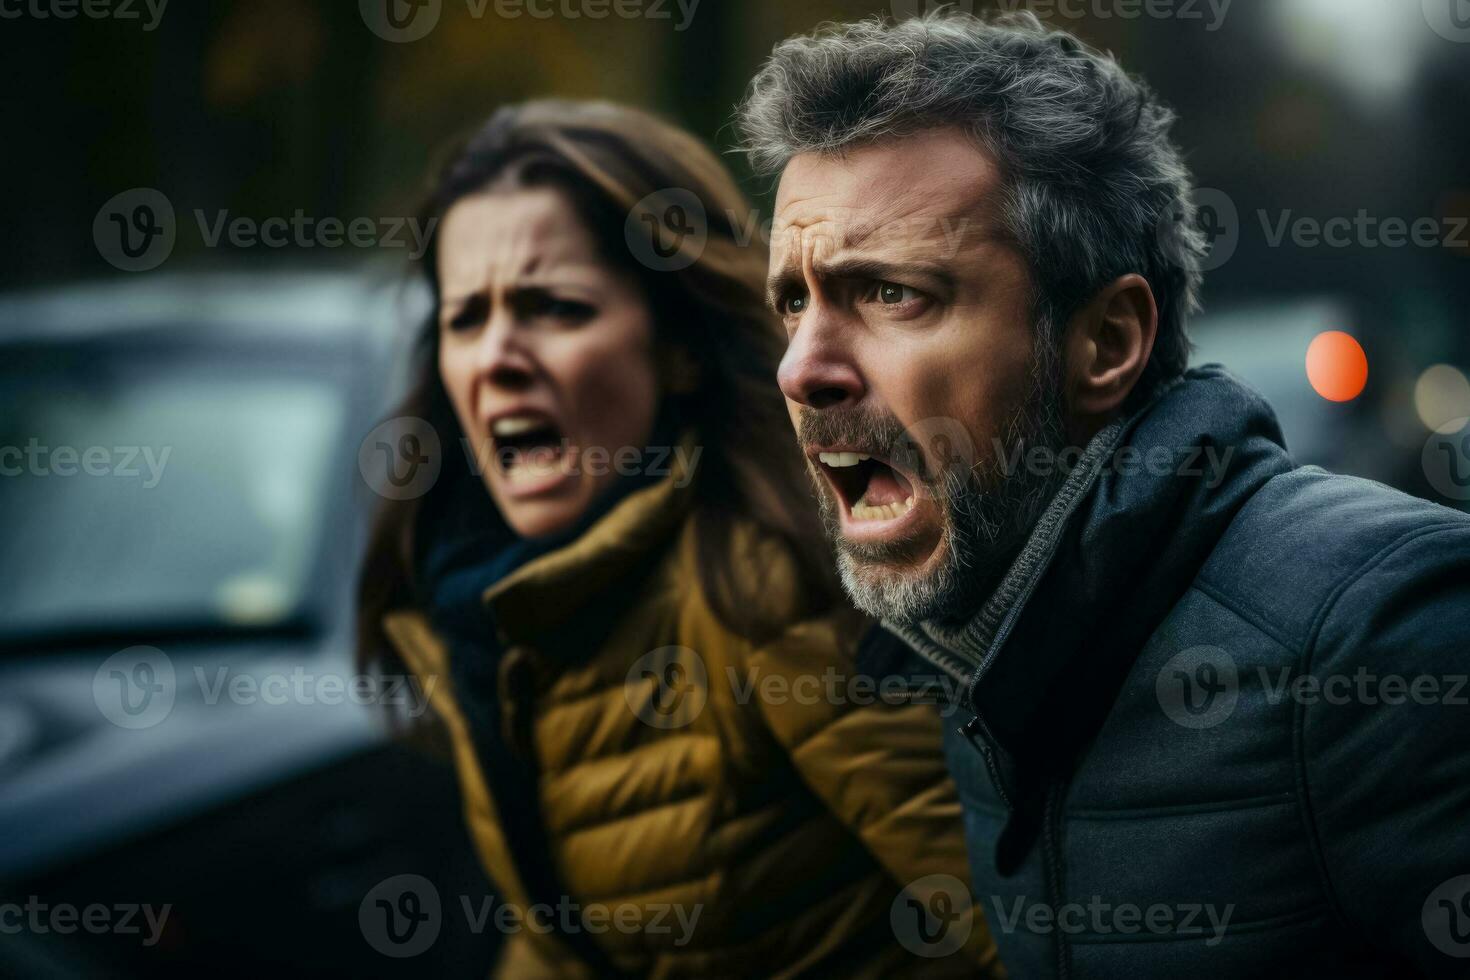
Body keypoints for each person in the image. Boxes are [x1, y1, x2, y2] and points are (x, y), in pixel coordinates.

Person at [736, 11, 1470, 978]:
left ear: (1107, 343)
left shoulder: (1381, 627)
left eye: (891, 294)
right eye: (795, 301)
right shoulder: (977, 657)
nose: (802, 369)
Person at [356, 99, 1002, 977]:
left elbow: (1014, 936)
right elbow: (559, 945)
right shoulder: (480, 612)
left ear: (678, 349)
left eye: (553, 307)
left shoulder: (774, 589)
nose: (498, 354)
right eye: (467, 318)